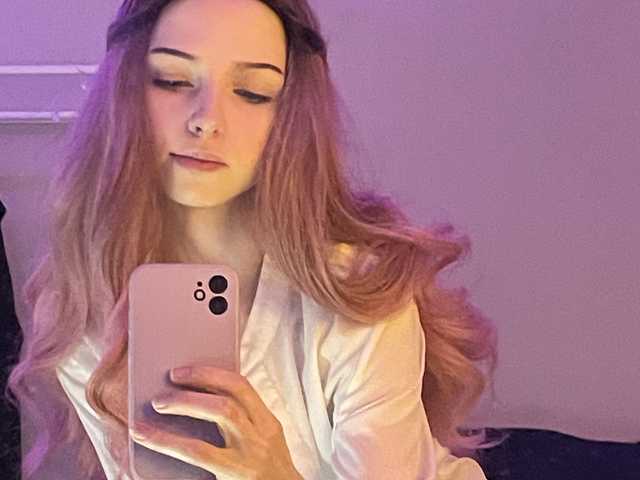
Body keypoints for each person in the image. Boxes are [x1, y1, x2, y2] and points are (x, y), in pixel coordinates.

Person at [6, 0, 508, 478]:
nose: (207, 120)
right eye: (173, 80)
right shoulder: (82, 308)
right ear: (126, 94)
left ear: (288, 116)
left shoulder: (359, 294)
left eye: (252, 93)